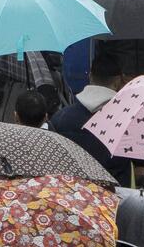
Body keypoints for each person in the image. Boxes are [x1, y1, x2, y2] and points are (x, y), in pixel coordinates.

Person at [48, 51, 133, 185]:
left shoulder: (60, 118)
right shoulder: (126, 119)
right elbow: (141, 165)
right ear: (118, 81)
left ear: (91, 76)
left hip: (74, 194)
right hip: (115, 196)